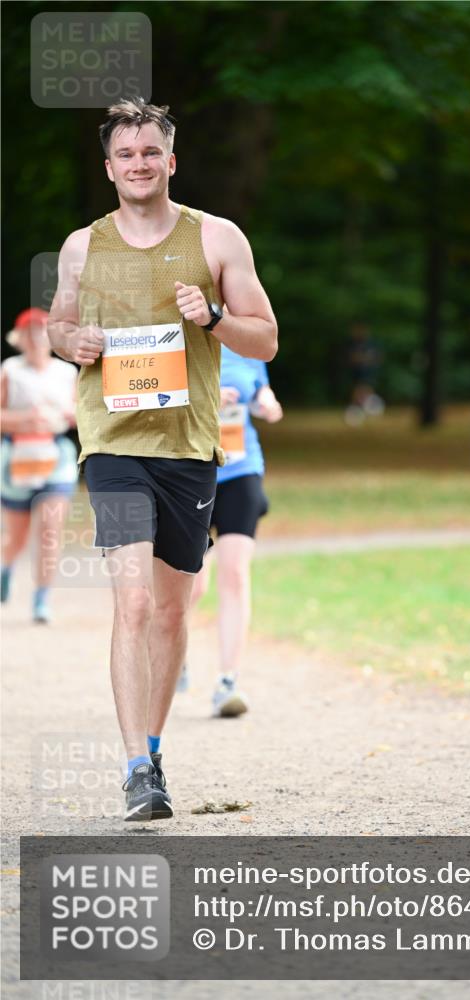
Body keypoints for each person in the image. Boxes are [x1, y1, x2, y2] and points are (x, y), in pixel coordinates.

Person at [47, 97, 278, 822]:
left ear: (170, 161)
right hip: (112, 444)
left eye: (151, 152)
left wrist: (210, 316)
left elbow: (265, 339)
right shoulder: (83, 246)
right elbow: (58, 323)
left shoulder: (217, 239)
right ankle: (137, 769)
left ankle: (154, 743)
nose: (139, 164)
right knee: (134, 600)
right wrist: (70, 343)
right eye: (126, 154)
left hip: (188, 448)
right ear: (108, 167)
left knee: (174, 612)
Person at [181, 347, 283, 716]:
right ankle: (171, 648)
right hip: (190, 472)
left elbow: (259, 390)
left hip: (242, 468)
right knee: (193, 584)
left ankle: (227, 682)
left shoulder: (245, 341)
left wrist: (266, 403)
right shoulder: (180, 336)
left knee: (236, 574)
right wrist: (203, 397)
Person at [1, 307, 78, 623]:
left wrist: (72, 418)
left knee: (49, 530)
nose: (36, 338)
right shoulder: (10, 369)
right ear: (20, 339)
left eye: (41, 331)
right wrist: (23, 420)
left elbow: (79, 414)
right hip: (18, 456)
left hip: (55, 455)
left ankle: (41, 597)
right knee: (17, 536)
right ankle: (6, 567)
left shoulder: (66, 372)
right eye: (30, 332)